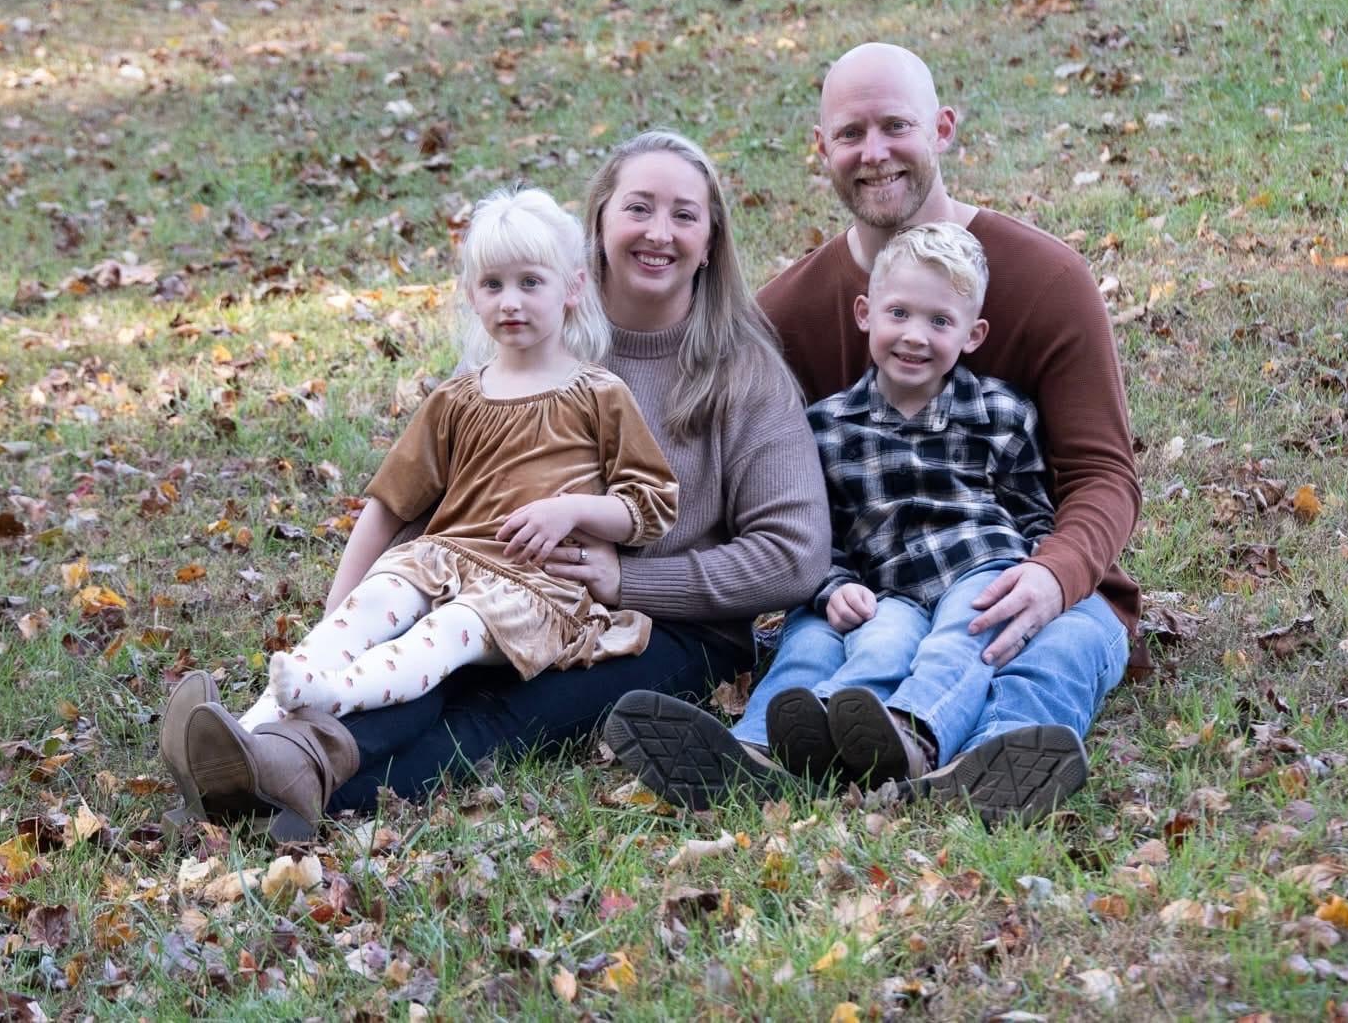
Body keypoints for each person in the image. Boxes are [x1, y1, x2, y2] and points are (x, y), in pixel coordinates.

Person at [157, 131, 831, 840]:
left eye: (684, 215)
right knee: (427, 654)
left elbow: (793, 555)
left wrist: (626, 581)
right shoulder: (535, 335)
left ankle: (291, 794)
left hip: (670, 629)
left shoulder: (743, 373)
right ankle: (271, 759)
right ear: (598, 225)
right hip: (503, 586)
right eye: (638, 208)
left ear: (711, 238)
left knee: (495, 713)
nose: (659, 233)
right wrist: (348, 619)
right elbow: (434, 501)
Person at [607, 43, 1142, 824]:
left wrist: (1053, 575)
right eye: (851, 134)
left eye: (896, 126)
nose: (875, 152)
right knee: (812, 646)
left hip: (1014, 571)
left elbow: (1103, 475)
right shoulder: (782, 317)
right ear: (821, 149)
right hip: (867, 581)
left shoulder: (1047, 280)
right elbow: (745, 487)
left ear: (942, 129)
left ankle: (993, 762)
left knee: (1052, 648)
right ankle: (754, 758)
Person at [230, 186, 678, 731]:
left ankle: (331, 697)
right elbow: (388, 508)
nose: (509, 301)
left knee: (442, 634)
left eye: (530, 282)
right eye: (493, 284)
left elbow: (652, 505)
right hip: (443, 560)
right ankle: (245, 731)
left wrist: (573, 511)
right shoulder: (456, 399)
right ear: (472, 294)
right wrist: (337, 616)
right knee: (374, 600)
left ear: (573, 287)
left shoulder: (599, 394)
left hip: (532, 591)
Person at [765, 220, 1056, 787]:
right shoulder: (825, 428)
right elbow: (815, 535)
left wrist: (1044, 567)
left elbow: (1031, 509)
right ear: (865, 314)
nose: (915, 336)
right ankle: (814, 732)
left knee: (963, 637)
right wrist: (835, 586)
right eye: (898, 313)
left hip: (982, 568)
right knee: (879, 647)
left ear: (973, 335)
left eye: (940, 321)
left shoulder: (1001, 412)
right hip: (888, 589)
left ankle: (916, 731)